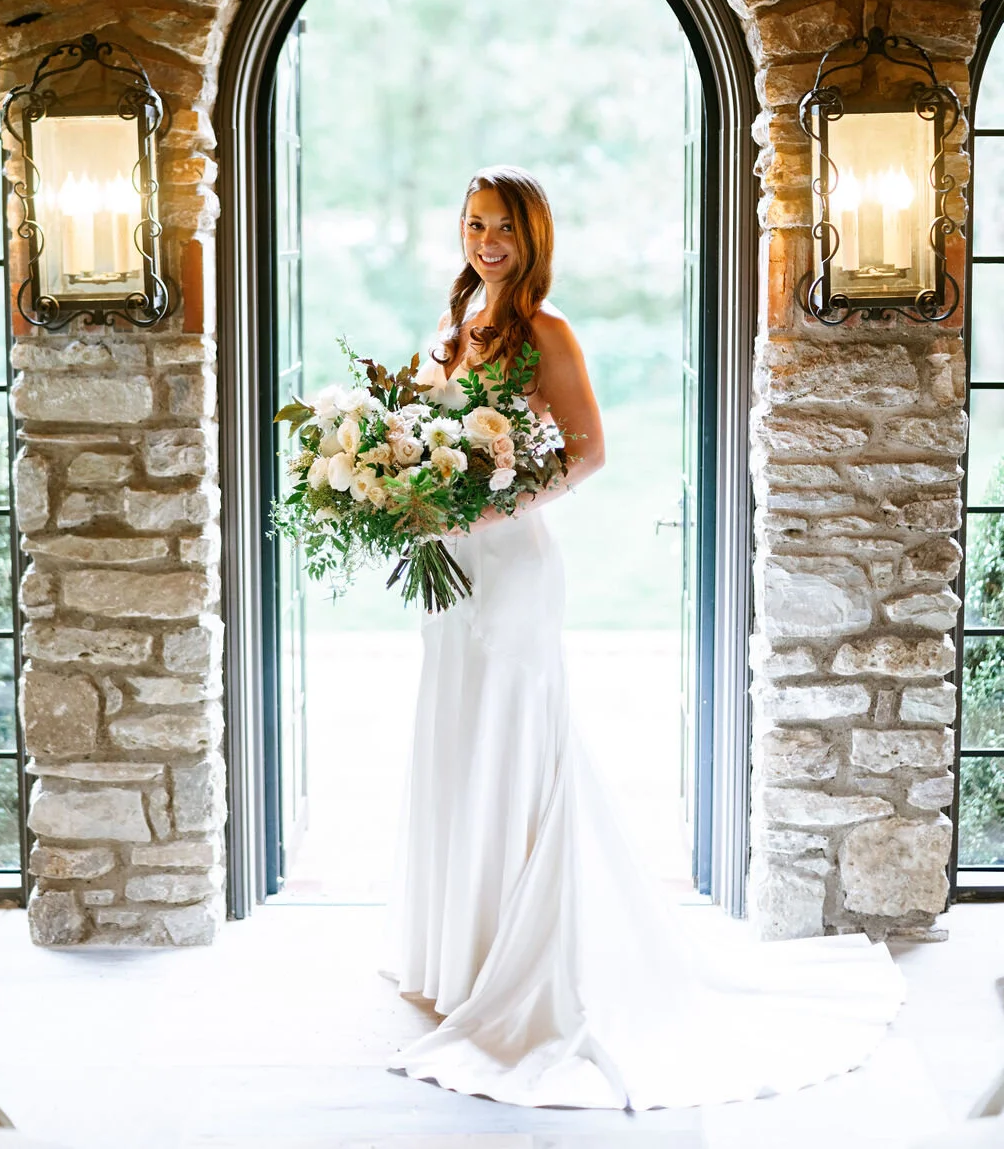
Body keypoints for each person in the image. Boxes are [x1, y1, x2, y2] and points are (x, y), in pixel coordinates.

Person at [379, 165, 906, 1110]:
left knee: (511, 741)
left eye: (501, 225)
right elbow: (428, 440)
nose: (484, 239)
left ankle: (518, 955)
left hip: (511, 570)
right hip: (449, 573)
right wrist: (407, 488)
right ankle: (455, 950)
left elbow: (588, 450)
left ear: (533, 237)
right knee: (457, 743)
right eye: (473, 222)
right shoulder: (455, 330)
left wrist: (496, 505)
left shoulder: (548, 332)